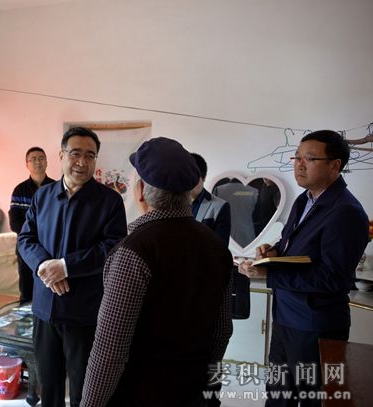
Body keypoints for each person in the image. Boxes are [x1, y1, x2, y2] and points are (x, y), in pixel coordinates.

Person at [81, 137, 232, 407]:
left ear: (141, 190)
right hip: (193, 391)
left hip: (141, 394)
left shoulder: (133, 251)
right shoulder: (216, 248)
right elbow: (222, 331)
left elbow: (110, 349)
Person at [239, 130, 369, 406]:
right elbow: (292, 243)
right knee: (278, 395)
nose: (299, 165)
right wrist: (273, 251)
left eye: (309, 159)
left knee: (312, 398)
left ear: (335, 165)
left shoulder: (345, 211)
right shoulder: (305, 199)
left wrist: (270, 273)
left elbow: (333, 278)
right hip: (286, 317)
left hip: (315, 324)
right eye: (296, 157)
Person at [18, 127, 127, 407]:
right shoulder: (43, 196)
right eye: (75, 153)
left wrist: (66, 267)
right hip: (45, 308)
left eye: (90, 155)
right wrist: (45, 265)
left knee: (83, 388)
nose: (82, 162)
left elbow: (112, 247)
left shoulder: (110, 201)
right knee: (48, 385)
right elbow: (26, 238)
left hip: (83, 311)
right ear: (61, 155)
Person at [189, 152, 233, 407]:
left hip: (207, 294)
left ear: (202, 177)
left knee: (210, 361)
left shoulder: (219, 206)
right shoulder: (170, 205)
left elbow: (219, 252)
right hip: (179, 296)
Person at [8, 147, 55, 304]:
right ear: (26, 164)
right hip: (26, 246)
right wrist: (33, 236)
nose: (37, 162)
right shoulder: (19, 190)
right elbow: (14, 222)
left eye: (41, 158)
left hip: (51, 246)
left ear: (46, 162)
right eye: (33, 159)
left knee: (50, 285)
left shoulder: (56, 188)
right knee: (27, 287)